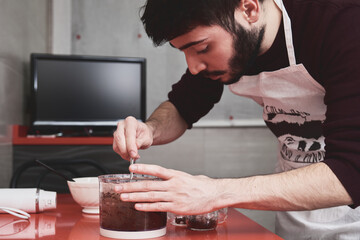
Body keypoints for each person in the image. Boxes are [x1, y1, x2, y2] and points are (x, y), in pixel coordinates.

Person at [113, 0, 360, 238]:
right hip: (295, 208)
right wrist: (150, 129)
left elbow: (350, 171)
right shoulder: (233, 42)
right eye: (184, 51)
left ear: (249, 9)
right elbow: (182, 106)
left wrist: (215, 192)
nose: (194, 66)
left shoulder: (343, 24)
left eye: (201, 48)